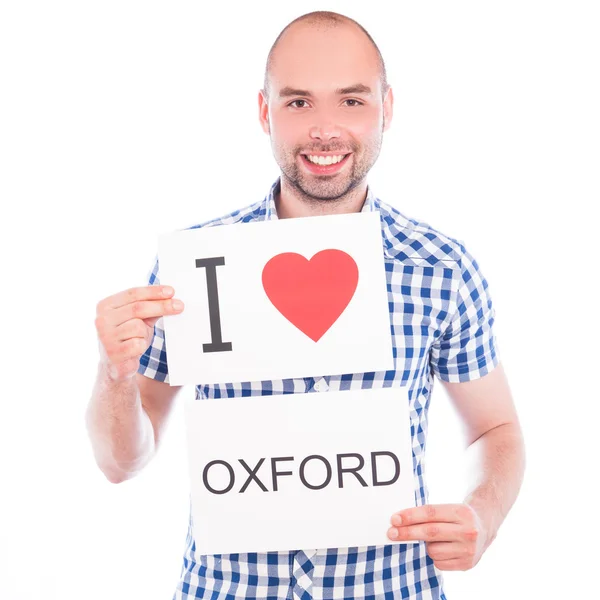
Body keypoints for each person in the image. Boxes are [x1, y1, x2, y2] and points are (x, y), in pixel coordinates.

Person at [86, 10, 525, 600]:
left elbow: (495, 428)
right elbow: (123, 463)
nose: (325, 130)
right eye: (298, 103)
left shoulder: (442, 269)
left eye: (351, 101)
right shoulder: (196, 268)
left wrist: (483, 516)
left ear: (386, 108)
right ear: (265, 112)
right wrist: (114, 374)